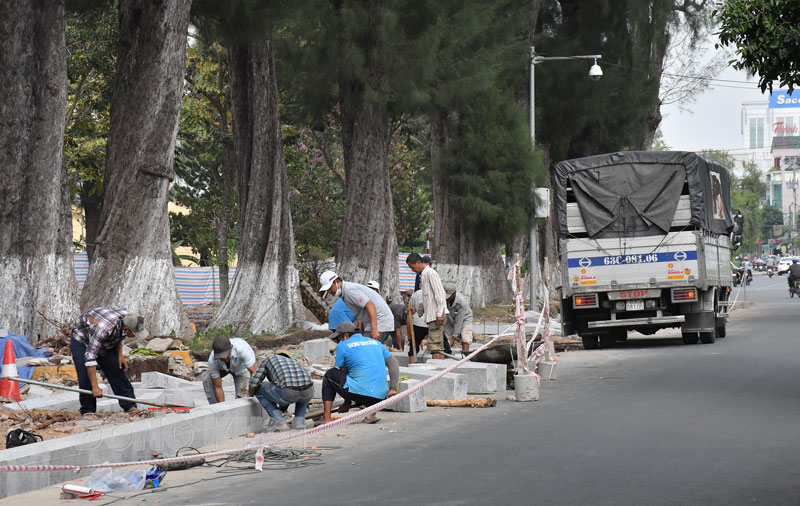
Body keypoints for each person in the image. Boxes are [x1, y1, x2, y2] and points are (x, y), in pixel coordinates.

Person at [70, 308, 149, 415]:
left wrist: (119, 356)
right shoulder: (104, 328)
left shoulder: (128, 318)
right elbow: (90, 357)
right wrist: (95, 387)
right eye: (134, 333)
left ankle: (129, 405)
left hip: (104, 340)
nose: (135, 336)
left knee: (116, 368)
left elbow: (120, 336)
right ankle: (88, 410)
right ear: (126, 328)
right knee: (85, 375)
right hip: (82, 339)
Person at [320, 322, 399, 424]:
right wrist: (393, 388)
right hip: (381, 397)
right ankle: (371, 415)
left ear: (346, 335)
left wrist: (347, 402)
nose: (339, 341)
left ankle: (326, 418)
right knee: (366, 379)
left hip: (360, 395)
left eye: (339, 338)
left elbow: (345, 373)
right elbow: (394, 364)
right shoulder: (376, 343)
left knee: (330, 375)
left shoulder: (342, 346)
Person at [318, 271, 395, 344]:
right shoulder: (345, 293)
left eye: (330, 288)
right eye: (327, 290)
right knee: (370, 351)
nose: (329, 292)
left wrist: (374, 329)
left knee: (365, 350)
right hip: (377, 321)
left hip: (381, 321)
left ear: (337, 282)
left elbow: (370, 305)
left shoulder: (349, 290)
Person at [248, 350, 314, 431]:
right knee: (303, 393)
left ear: (276, 354)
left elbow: (255, 381)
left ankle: (281, 423)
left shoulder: (269, 359)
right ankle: (299, 423)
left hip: (288, 392)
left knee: (260, 388)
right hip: (309, 390)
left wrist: (250, 392)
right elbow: (306, 381)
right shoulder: (294, 361)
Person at [406, 252, 448, 360]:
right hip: (431, 316)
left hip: (436, 315)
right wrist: (418, 310)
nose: (412, 270)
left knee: (435, 345)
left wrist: (440, 313)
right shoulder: (423, 276)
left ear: (419, 262)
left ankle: (437, 370)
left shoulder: (431, 274)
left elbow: (440, 295)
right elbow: (427, 298)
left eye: (412, 267)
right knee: (435, 345)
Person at [203, 336, 257, 404]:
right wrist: (222, 408)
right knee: (207, 379)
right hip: (222, 368)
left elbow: (253, 373)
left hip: (242, 368)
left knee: (243, 398)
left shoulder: (242, 349)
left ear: (231, 348)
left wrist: (252, 392)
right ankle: (216, 409)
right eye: (220, 358)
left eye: (225, 356)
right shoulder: (212, 360)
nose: (224, 359)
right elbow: (218, 386)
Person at [443, 283, 474, 357]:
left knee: (465, 336)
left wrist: (454, 337)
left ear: (454, 293)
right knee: (446, 339)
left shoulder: (461, 302)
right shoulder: (443, 297)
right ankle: (446, 357)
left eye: (449, 296)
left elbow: (459, 321)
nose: (447, 298)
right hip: (450, 317)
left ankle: (464, 357)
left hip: (464, 317)